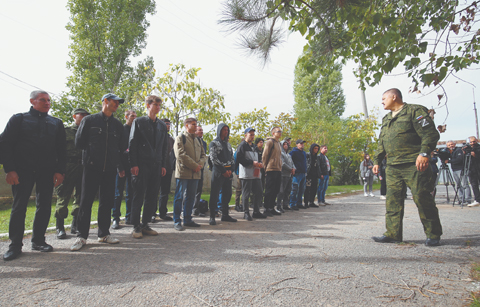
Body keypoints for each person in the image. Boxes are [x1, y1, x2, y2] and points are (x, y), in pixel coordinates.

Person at [0, 91, 66, 261]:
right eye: (43, 100)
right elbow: (5, 143)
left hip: (47, 171)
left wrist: (60, 170)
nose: (47, 103)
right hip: (22, 171)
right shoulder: (19, 119)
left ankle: (38, 241)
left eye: (49, 100)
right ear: (32, 101)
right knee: (19, 206)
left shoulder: (56, 123)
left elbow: (61, 149)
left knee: (44, 206)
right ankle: (15, 245)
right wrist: (10, 169)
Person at [372, 88, 442, 246]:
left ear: (394, 97)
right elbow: (382, 142)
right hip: (393, 167)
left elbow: (430, 133)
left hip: (414, 165)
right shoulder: (386, 118)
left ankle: (433, 234)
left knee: (422, 198)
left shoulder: (414, 111)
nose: (382, 101)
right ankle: (393, 233)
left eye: (384, 98)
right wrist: (377, 161)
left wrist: (424, 153)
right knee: (392, 201)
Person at [71, 93, 125, 251]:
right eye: (114, 102)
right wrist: (92, 155)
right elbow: (79, 142)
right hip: (91, 167)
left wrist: (117, 164)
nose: (117, 105)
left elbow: (121, 147)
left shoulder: (117, 125)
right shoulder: (90, 120)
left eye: (118, 103)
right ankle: (81, 236)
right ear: (105, 101)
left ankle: (104, 234)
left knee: (107, 202)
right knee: (86, 201)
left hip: (109, 169)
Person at [129, 95, 168, 238]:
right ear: (148, 105)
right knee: (138, 195)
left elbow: (164, 147)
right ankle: (135, 226)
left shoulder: (162, 125)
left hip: (156, 165)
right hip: (141, 164)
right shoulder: (138, 122)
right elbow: (132, 144)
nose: (158, 107)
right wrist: (133, 164)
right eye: (155, 104)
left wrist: (163, 164)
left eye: (159, 105)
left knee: (152, 196)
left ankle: (145, 224)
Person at [54, 108, 90, 239]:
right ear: (74, 116)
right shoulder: (65, 131)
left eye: (87, 115)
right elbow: (57, 151)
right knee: (63, 197)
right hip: (68, 167)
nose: (85, 117)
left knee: (80, 197)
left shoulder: (88, 133)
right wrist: (58, 169)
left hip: (83, 167)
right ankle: (60, 227)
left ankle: (75, 225)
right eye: (82, 115)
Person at [172, 118, 207, 230]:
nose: (196, 126)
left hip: (195, 174)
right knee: (179, 197)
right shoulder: (180, 138)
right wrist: (194, 166)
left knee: (191, 197)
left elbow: (203, 155)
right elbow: (180, 155)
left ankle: (187, 219)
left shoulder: (198, 140)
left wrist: (199, 165)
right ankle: (177, 221)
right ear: (186, 125)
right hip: (184, 173)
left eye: (196, 124)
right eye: (193, 124)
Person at [112, 109, 136, 229]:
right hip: (120, 167)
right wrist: (119, 167)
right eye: (132, 116)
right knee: (117, 194)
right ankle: (115, 218)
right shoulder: (121, 130)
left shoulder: (136, 131)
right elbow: (116, 149)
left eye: (135, 116)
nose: (134, 118)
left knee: (130, 193)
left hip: (132, 167)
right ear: (126, 117)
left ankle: (129, 217)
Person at [208, 123, 237, 225]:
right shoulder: (214, 143)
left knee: (227, 194)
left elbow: (232, 158)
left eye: (227, 130)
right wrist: (224, 171)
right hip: (218, 172)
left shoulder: (228, 144)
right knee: (215, 194)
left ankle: (225, 214)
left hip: (228, 173)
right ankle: (212, 216)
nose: (226, 131)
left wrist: (231, 170)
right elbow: (213, 159)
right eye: (224, 129)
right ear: (219, 130)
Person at [237, 128, 267, 220]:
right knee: (246, 194)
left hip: (256, 174)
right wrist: (251, 163)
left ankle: (256, 211)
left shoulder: (254, 146)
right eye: (250, 134)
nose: (252, 136)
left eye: (253, 134)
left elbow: (257, 158)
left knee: (259, 192)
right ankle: (246, 213)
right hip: (246, 174)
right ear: (246, 135)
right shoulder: (242, 146)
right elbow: (239, 159)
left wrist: (259, 163)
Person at [154, 118, 175, 221]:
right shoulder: (156, 136)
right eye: (166, 124)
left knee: (164, 192)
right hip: (157, 168)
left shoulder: (171, 139)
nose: (168, 126)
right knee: (154, 191)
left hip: (168, 169)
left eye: (169, 124)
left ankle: (163, 213)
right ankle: (152, 213)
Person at [262, 127, 283, 216]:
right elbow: (265, 155)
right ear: (273, 133)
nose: (280, 133)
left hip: (278, 169)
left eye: (281, 131)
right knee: (269, 189)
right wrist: (264, 168)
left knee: (276, 189)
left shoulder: (278, 143)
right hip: (271, 168)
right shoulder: (270, 142)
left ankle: (271, 207)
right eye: (278, 131)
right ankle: (266, 208)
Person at [446, 140, 472, 205]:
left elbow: (459, 159)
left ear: (454, 144)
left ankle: (467, 199)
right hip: (454, 170)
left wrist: (449, 161)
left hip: (460, 169)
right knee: (459, 185)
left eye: (452, 144)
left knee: (464, 184)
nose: (451, 146)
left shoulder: (458, 150)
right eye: (449, 145)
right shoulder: (451, 152)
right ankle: (461, 199)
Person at [192, 124, 208, 217]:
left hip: (200, 169)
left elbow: (204, 156)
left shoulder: (204, 143)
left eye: (202, 130)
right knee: (190, 191)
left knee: (198, 190)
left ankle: (196, 209)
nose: (201, 132)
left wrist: (201, 165)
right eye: (199, 130)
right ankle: (186, 209)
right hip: (193, 169)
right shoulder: (192, 141)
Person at [276, 140, 295, 212]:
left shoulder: (289, 155)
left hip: (289, 175)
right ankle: (278, 206)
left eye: (287, 144)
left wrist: (294, 169)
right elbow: (282, 163)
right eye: (284, 144)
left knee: (288, 190)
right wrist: (290, 169)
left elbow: (292, 163)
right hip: (282, 174)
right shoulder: (280, 154)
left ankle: (285, 205)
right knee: (281, 191)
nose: (286, 145)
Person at [289, 139, 307, 210]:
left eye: (303, 143)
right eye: (300, 143)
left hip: (303, 172)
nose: (302, 145)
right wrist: (292, 168)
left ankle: (299, 203)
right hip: (296, 173)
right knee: (295, 189)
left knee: (302, 189)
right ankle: (292, 203)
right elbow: (289, 160)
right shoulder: (293, 152)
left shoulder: (304, 153)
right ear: (297, 144)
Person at [304, 143, 321, 207]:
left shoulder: (317, 157)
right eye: (315, 148)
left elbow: (318, 166)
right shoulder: (308, 155)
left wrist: (319, 174)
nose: (316, 150)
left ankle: (311, 202)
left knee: (314, 189)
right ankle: (306, 202)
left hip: (315, 175)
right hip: (309, 175)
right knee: (307, 189)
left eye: (317, 149)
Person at [466, 136, 480, 207]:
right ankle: (477, 200)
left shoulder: (478, 148)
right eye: (471, 142)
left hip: (478, 168)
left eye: (474, 141)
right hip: (471, 169)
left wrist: (476, 155)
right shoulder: (468, 148)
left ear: (476, 141)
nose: (472, 143)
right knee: (474, 185)